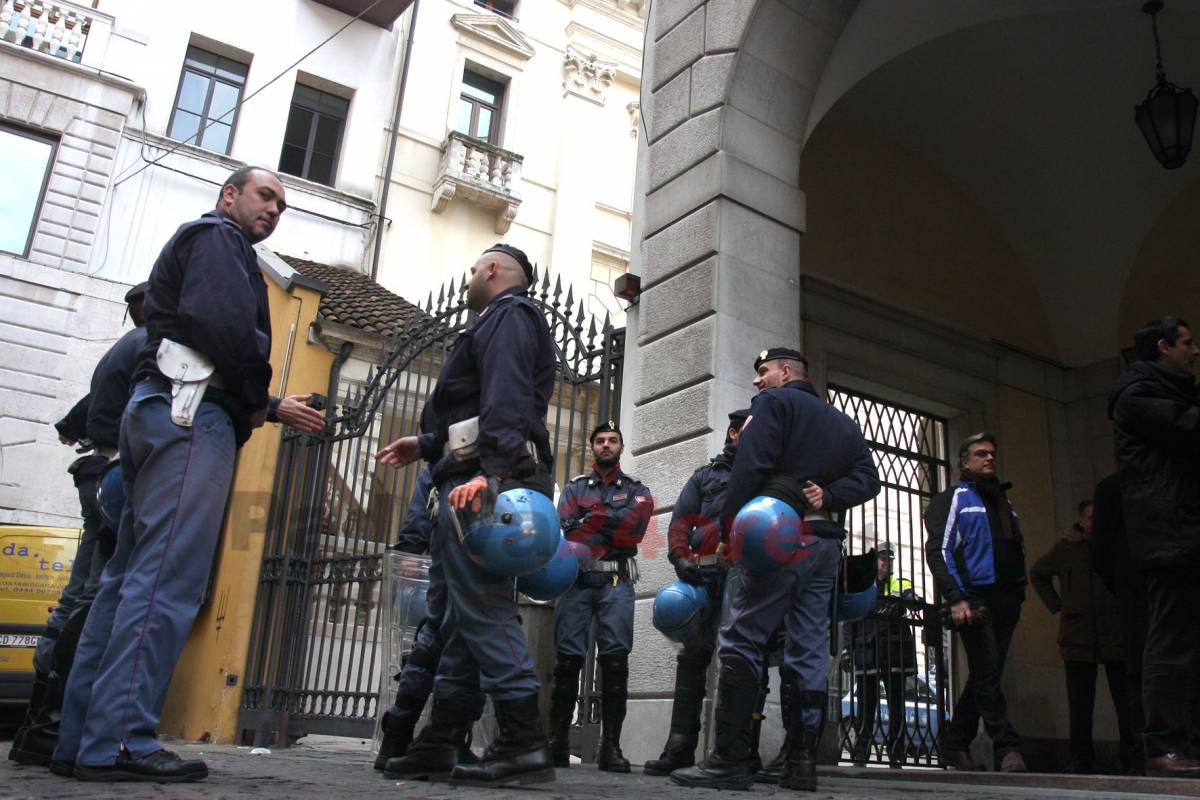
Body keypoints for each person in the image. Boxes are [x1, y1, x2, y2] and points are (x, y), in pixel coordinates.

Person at [52, 166, 326, 783]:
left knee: (124, 581)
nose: (274, 209)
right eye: (265, 196)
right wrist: (258, 395)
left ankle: (80, 741)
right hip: (190, 414)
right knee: (164, 581)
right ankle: (121, 740)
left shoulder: (204, 243)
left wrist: (268, 404)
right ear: (230, 194)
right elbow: (227, 331)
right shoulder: (218, 239)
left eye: (283, 204)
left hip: (157, 412)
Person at [374, 243, 557, 787]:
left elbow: (506, 398)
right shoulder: (499, 320)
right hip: (467, 475)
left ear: (494, 270)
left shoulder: (509, 315)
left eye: (475, 268)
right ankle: (443, 740)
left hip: (480, 483)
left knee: (483, 609)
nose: (469, 277)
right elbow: (477, 406)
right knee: (457, 622)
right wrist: (428, 443)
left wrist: (491, 473)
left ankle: (524, 744)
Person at [671, 347, 881, 792]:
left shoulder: (773, 404)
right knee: (806, 648)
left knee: (743, 636)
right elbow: (869, 477)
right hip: (824, 545)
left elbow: (751, 467)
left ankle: (729, 760)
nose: (757, 381)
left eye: (763, 371)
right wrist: (830, 494)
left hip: (776, 537)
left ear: (786, 373)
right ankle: (801, 764)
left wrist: (729, 530)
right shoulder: (841, 421)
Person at [9, 283, 149, 766]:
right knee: (96, 596)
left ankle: (37, 727)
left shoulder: (120, 349)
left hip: (93, 471)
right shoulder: (150, 345)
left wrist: (79, 431)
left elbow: (75, 421)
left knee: (79, 594)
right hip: (113, 474)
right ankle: (53, 724)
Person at [1108, 317, 1200, 777]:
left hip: (1185, 532)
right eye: (1187, 343)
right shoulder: (1138, 396)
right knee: (1171, 641)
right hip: (1171, 536)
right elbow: (1188, 428)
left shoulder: (1172, 393)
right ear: (1163, 348)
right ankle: (1163, 745)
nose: (1195, 350)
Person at [644, 410, 751, 778]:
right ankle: (679, 747)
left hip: (746, 578)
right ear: (735, 433)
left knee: (743, 659)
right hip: (705, 574)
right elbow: (680, 522)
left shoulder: (763, 473)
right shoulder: (706, 475)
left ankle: (738, 750)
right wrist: (678, 558)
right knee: (693, 657)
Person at [548, 421, 652, 772]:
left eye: (613, 440)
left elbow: (634, 530)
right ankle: (557, 742)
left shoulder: (638, 489)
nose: (606, 445)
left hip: (616, 582)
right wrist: (611, 520)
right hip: (575, 580)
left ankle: (611, 747)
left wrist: (590, 519)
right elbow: (566, 530)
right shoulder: (574, 487)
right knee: (566, 662)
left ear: (622, 447)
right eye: (600, 441)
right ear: (591, 446)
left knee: (615, 662)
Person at [924, 433, 1027, 773]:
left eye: (993, 454)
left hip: (1007, 598)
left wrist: (1017, 593)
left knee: (986, 674)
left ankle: (955, 744)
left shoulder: (1003, 502)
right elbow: (938, 550)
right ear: (965, 462)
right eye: (981, 454)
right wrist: (956, 597)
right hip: (974, 599)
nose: (989, 459)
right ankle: (1007, 747)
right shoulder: (955, 499)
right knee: (986, 672)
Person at [374, 465, 481, 772]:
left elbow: (422, 514)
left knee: (434, 637)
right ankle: (444, 740)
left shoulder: (443, 459)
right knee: (462, 641)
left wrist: (410, 548)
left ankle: (402, 734)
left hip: (450, 555)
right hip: (470, 556)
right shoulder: (482, 455)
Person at [1031, 499, 1134, 774]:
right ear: (1082, 521)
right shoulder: (1067, 548)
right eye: (1090, 517)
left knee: (1126, 699)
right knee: (1080, 701)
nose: (1094, 522)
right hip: (1078, 634)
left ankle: (1132, 754)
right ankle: (1081, 757)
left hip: (1115, 632)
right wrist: (1058, 605)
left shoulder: (1117, 547)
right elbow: (1039, 574)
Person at [847, 542, 919, 768]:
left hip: (893, 651)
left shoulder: (900, 583)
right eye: (882, 559)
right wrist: (847, 650)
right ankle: (861, 752)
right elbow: (850, 620)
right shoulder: (862, 585)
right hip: (867, 650)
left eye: (890, 559)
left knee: (897, 706)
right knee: (866, 707)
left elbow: (911, 595)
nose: (887, 563)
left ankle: (896, 752)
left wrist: (912, 599)